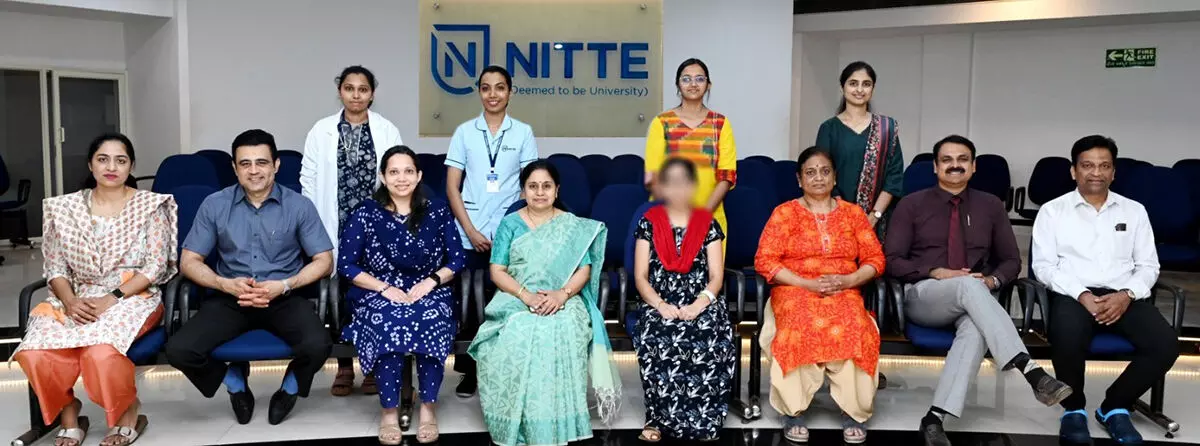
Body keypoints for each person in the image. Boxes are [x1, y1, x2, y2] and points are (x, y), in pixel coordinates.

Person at [885, 135, 1072, 446]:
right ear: (935, 167)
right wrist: (935, 272)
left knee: (974, 329)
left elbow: (1011, 260)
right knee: (966, 285)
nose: (955, 165)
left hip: (974, 298)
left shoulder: (991, 206)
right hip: (924, 294)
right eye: (947, 160)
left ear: (973, 167)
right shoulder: (911, 204)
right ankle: (1030, 370)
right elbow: (892, 261)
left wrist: (992, 281)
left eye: (962, 160)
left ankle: (935, 418)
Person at [13, 133, 175, 446]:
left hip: (133, 295)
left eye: (120, 160)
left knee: (100, 352)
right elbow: (56, 268)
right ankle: (69, 412)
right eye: (103, 159)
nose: (111, 167)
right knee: (34, 351)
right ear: (91, 165)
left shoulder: (151, 207)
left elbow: (155, 267)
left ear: (131, 166)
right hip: (77, 294)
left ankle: (128, 411)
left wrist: (112, 298)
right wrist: (70, 301)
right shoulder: (66, 210)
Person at [165, 129, 334, 426]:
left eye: (261, 162)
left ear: (276, 165)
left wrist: (286, 284)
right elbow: (189, 261)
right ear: (234, 168)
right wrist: (223, 284)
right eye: (245, 163)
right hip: (231, 295)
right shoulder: (215, 204)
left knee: (319, 344)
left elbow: (324, 261)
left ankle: (290, 387)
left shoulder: (299, 205)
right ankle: (234, 381)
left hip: (283, 295)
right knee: (179, 350)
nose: (254, 171)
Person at [1031, 135, 1178, 445]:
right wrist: (1082, 294)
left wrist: (1127, 295)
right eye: (1087, 165)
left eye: (1104, 166)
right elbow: (1043, 266)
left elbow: (1148, 266)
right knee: (1067, 333)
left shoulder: (1134, 211)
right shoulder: (1052, 211)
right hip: (1073, 294)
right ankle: (1073, 409)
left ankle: (1114, 406)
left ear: (1113, 172)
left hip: (1124, 296)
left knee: (1165, 344)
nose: (1095, 173)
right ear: (1074, 171)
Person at [467, 160, 621, 446]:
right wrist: (526, 295)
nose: (540, 192)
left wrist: (562, 295)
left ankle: (561, 421)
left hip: (564, 297)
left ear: (557, 190)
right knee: (520, 331)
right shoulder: (510, 224)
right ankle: (520, 421)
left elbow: (584, 270)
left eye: (546, 186)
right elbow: (497, 271)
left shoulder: (571, 225)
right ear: (523, 191)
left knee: (563, 327)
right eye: (533, 186)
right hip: (516, 296)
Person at [755, 146, 884, 444]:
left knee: (855, 324)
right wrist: (806, 284)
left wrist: (850, 280)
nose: (818, 178)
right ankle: (793, 410)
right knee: (800, 324)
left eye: (825, 171)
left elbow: (875, 259)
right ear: (799, 179)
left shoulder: (853, 214)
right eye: (810, 172)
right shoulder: (784, 213)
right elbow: (765, 261)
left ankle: (854, 411)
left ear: (835, 177)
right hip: (794, 290)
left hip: (844, 289)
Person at [338, 146, 466, 445]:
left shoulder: (437, 211)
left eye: (408, 171)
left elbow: (457, 259)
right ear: (383, 177)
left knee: (429, 319)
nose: (401, 178)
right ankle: (388, 411)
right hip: (377, 290)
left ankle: (429, 408)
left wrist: (431, 282)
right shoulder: (366, 213)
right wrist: (384, 288)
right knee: (389, 322)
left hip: (429, 289)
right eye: (394, 172)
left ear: (419, 175)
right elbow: (346, 264)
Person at [301, 65, 403, 397]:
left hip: (374, 227)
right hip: (334, 224)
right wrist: (313, 227)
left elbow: (399, 176)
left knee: (373, 294)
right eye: (349, 88)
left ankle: (372, 366)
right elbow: (308, 179)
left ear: (372, 94)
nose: (356, 95)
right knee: (338, 297)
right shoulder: (321, 130)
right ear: (340, 91)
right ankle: (344, 366)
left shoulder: (386, 130)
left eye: (363, 89)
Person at [445, 65, 538, 398]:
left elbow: (530, 185)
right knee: (470, 302)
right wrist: (469, 230)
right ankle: (469, 371)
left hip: (509, 232)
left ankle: (502, 368)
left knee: (504, 302)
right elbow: (452, 187)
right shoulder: (464, 132)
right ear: (479, 92)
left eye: (500, 87)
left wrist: (510, 231)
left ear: (510, 92)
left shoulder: (523, 132)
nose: (493, 94)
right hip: (470, 230)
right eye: (486, 88)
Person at [632, 158, 734, 442]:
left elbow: (716, 276)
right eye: (671, 182)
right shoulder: (648, 222)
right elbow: (640, 276)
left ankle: (704, 419)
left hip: (701, 299)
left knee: (709, 331)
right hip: (659, 299)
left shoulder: (708, 223)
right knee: (658, 331)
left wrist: (699, 304)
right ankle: (656, 419)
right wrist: (660, 305)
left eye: (684, 182)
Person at [644, 58, 737, 245]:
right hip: (667, 218)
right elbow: (652, 177)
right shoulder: (661, 122)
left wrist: (702, 218)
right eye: (686, 79)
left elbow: (727, 176)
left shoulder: (721, 124)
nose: (693, 84)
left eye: (699, 79)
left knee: (711, 266)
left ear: (708, 85)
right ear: (678, 85)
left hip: (710, 217)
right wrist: (676, 217)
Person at [816, 61, 904, 240]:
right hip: (837, 217)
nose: (859, 89)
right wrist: (846, 215)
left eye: (866, 84)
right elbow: (822, 173)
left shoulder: (886, 128)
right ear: (842, 87)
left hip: (879, 220)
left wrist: (874, 216)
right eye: (853, 83)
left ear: (873, 89)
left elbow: (894, 177)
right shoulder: (829, 128)